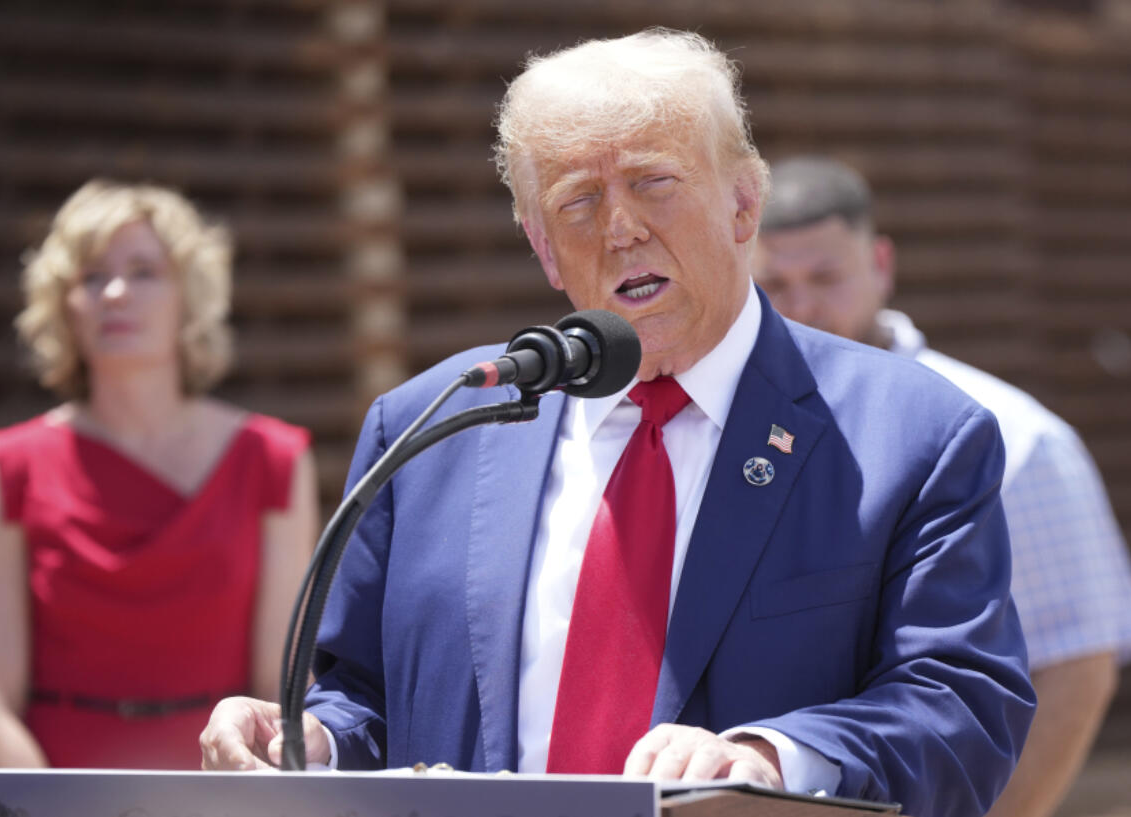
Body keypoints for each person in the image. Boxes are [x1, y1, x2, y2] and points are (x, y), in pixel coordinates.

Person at [201, 30, 1034, 816]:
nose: (622, 228)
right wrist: (313, 738)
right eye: (579, 201)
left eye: (655, 183)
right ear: (543, 248)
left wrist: (773, 758)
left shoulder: (916, 433)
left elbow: (963, 704)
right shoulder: (433, 426)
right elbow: (367, 695)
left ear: (744, 204)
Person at [755, 155, 1131, 817]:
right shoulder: (731, 429)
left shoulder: (1017, 437)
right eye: (775, 283)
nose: (803, 307)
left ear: (880, 264)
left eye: (825, 277)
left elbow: (1077, 666)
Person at [0, 179, 319, 769]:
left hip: (221, 779)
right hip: (54, 786)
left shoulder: (273, 459)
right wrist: (35, 802)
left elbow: (280, 683)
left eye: (144, 271)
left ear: (188, 298)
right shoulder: (9, 465)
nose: (116, 293)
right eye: (91, 276)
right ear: (63, 304)